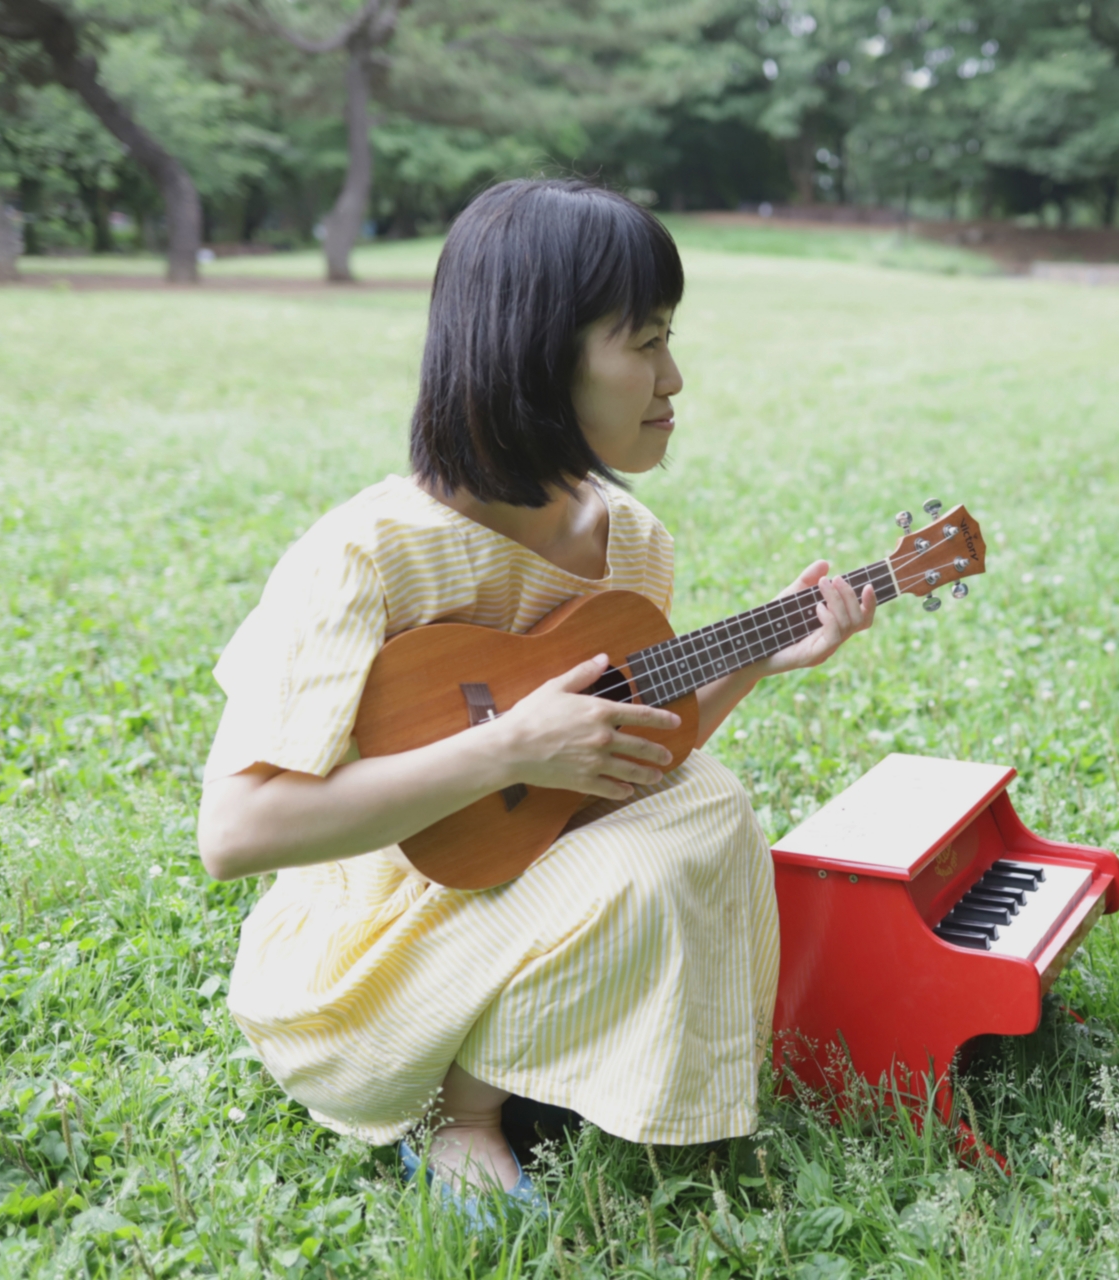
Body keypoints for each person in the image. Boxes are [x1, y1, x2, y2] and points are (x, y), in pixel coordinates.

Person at [195, 178, 876, 1205]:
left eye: (668, 337)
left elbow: (613, 765)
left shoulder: (630, 543)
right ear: (537, 356)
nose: (673, 375)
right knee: (640, 873)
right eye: (641, 342)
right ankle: (456, 1111)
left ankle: (550, 1064)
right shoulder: (365, 557)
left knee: (707, 802)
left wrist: (756, 657)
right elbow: (236, 832)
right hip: (371, 952)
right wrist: (507, 747)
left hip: (513, 877)